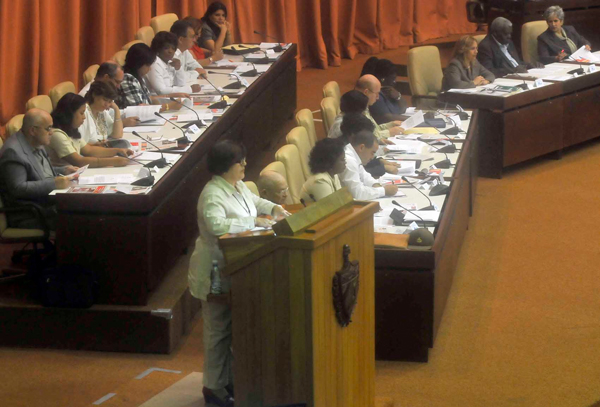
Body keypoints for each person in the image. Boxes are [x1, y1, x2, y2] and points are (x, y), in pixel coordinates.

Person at [187, 140, 289, 407]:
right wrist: (253, 221)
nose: (245, 164)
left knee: (231, 330)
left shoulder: (236, 184)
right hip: (215, 272)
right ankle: (213, 388)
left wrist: (272, 208)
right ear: (225, 166)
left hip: (237, 268)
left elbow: (253, 200)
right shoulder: (212, 194)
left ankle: (228, 380)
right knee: (217, 333)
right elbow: (215, 224)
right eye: (239, 161)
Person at [0, 109, 78, 230]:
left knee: (86, 207)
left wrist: (63, 170)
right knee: (83, 218)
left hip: (49, 203)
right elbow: (18, 188)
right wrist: (54, 183)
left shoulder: (35, 141)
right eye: (48, 128)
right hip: (31, 214)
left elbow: (39, 170)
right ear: (33, 131)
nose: (52, 132)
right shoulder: (13, 152)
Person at [47, 93, 133, 168]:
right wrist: (113, 161)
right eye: (81, 113)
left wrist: (117, 151)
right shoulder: (57, 135)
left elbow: (89, 150)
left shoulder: (71, 130)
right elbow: (79, 161)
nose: (84, 117)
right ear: (69, 114)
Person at [120, 43, 188, 110]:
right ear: (138, 63)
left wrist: (172, 96)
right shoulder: (128, 79)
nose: (150, 69)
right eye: (148, 65)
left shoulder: (138, 77)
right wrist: (169, 106)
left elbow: (149, 98)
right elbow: (139, 109)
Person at [338, 128, 398, 200]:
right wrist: (384, 191)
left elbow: (365, 176)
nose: (372, 157)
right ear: (362, 147)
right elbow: (357, 194)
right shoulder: (348, 160)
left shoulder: (354, 155)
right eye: (372, 153)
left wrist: (376, 185)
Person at [79, 61, 140, 127]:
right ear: (106, 77)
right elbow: (93, 126)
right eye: (117, 82)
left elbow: (111, 113)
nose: (119, 86)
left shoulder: (106, 90)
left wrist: (136, 111)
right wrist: (122, 123)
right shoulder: (85, 96)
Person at [478, 17, 544, 77]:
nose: (509, 36)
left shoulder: (507, 41)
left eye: (510, 33)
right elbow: (488, 71)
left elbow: (516, 63)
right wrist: (513, 71)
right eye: (506, 34)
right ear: (495, 33)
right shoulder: (485, 47)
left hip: (520, 76)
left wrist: (529, 65)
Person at [146, 31, 200, 96]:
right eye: (166, 48)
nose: (170, 51)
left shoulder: (169, 61)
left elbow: (181, 84)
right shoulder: (154, 63)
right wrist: (189, 89)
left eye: (173, 48)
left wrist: (178, 68)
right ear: (158, 48)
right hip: (157, 101)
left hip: (169, 98)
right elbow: (161, 91)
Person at [78, 81, 126, 147]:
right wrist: (95, 146)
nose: (107, 105)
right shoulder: (83, 113)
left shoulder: (102, 112)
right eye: (105, 100)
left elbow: (117, 134)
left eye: (110, 102)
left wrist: (116, 109)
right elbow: (77, 144)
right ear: (94, 95)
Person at [355, 75, 404, 140]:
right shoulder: (354, 108)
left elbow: (375, 130)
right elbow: (365, 138)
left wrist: (391, 124)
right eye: (376, 93)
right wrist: (389, 132)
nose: (378, 97)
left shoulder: (364, 106)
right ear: (366, 92)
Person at [300, 138, 346, 202]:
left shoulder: (334, 175)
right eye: (342, 159)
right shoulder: (320, 181)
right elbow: (331, 207)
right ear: (330, 161)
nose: (345, 162)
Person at [369, 58, 408, 123]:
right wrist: (413, 118)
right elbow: (387, 118)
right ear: (383, 78)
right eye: (392, 79)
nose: (394, 82)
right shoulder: (375, 94)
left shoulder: (390, 91)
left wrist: (398, 96)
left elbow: (404, 108)